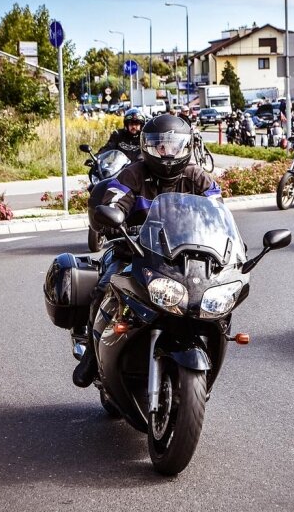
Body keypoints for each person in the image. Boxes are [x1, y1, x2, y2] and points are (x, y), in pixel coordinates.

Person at [72, 114, 222, 387]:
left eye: (173, 146)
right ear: (147, 147)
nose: (167, 152)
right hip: (132, 250)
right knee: (104, 288)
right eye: (159, 146)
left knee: (214, 296)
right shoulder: (134, 174)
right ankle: (92, 359)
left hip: (182, 256)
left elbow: (217, 209)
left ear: (185, 147)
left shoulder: (197, 177)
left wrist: (227, 242)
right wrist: (114, 215)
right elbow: (115, 198)